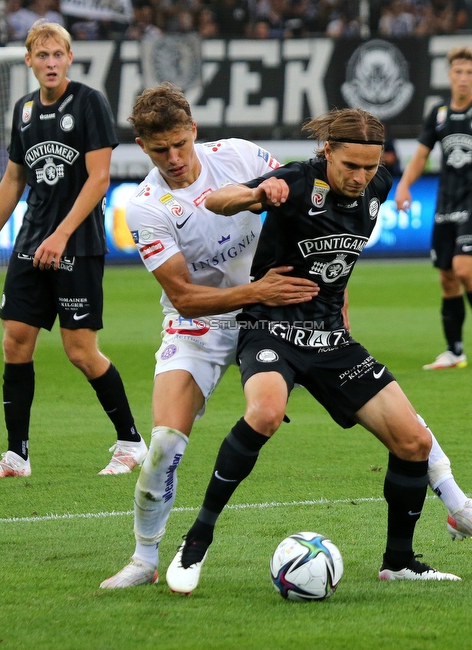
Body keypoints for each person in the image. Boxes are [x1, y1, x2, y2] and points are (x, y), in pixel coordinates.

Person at [164, 108, 472, 596]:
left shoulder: (377, 184)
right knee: (264, 412)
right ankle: (196, 539)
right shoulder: (297, 182)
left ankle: (400, 561)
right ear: (328, 152)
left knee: (413, 443)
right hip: (272, 327)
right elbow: (218, 199)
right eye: (351, 166)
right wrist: (258, 194)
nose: (361, 177)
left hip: (330, 339)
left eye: (370, 167)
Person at [99, 84, 321, 589]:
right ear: (143, 148)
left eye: (180, 143)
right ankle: (144, 559)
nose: (174, 158)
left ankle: (448, 503)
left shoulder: (240, 156)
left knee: (366, 388)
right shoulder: (147, 207)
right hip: (197, 325)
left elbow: (301, 203)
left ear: (194, 130)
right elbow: (183, 296)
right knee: (163, 445)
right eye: (160, 151)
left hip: (269, 314)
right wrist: (257, 290)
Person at [0, 20, 144, 480]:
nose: (50, 63)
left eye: (58, 54)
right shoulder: (24, 110)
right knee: (15, 342)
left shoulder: (89, 103)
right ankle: (16, 455)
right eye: (41, 55)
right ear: (28, 60)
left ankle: (130, 441)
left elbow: (100, 179)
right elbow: (14, 178)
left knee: (81, 351)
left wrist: (63, 233)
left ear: (69, 58)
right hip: (31, 242)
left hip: (77, 244)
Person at [395, 46, 472, 371]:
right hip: (445, 202)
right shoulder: (439, 113)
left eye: (469, 73)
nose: (463, 78)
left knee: (464, 269)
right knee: (447, 278)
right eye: (458, 72)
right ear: (449, 76)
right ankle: (455, 351)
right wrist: (404, 185)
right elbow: (420, 156)